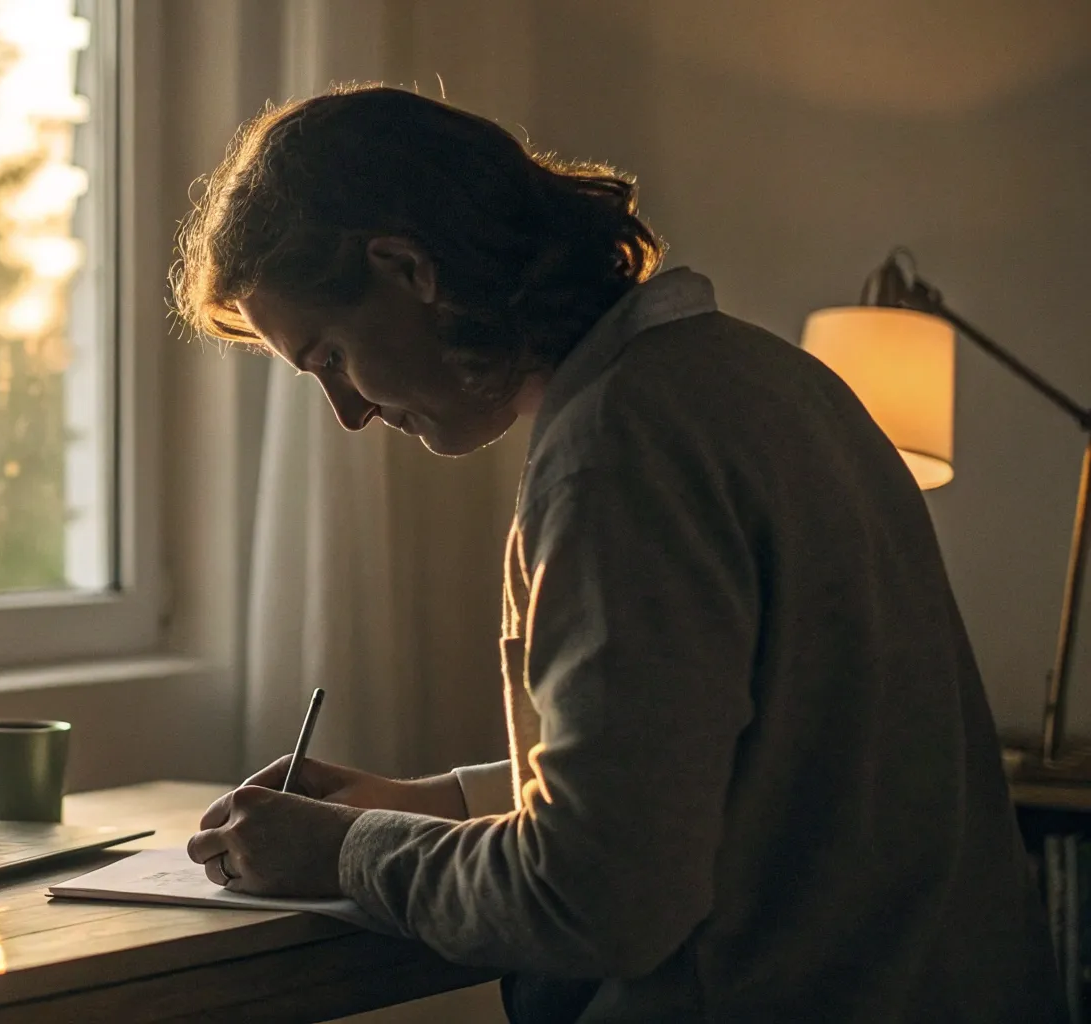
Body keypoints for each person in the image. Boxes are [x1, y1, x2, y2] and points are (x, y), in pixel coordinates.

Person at [172, 84, 1054, 1023]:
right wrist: (428, 801)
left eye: (331, 358)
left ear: (406, 269)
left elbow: (593, 900)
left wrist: (347, 853)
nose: (347, 412)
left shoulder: (617, 454)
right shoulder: (767, 381)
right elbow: (733, 773)